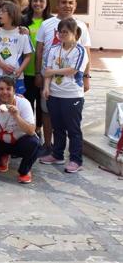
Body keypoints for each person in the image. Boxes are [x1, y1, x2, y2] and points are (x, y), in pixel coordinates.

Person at [35, 0, 91, 151]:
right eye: (63, 2)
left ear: (74, 5)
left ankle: (73, 155)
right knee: (48, 113)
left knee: (70, 121)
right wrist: (40, 74)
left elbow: (87, 52)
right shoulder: (46, 24)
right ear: (57, 5)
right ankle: (48, 145)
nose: (67, 5)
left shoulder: (81, 27)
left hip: (70, 85)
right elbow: (39, 51)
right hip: (49, 81)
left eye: (70, 2)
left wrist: (87, 76)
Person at [39, 18, 89, 173]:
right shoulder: (54, 49)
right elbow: (47, 70)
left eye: (66, 32)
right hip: (55, 94)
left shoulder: (79, 51)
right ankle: (57, 154)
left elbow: (73, 70)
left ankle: (76, 160)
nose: (62, 34)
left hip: (72, 95)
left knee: (73, 129)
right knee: (58, 128)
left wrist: (52, 72)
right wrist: (46, 87)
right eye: (60, 32)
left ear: (75, 33)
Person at [22, 0, 52, 138]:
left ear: (46, 3)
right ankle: (28, 130)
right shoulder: (23, 20)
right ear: (31, 2)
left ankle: (39, 130)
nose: (38, 3)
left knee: (42, 105)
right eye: (35, 0)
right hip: (25, 69)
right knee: (27, 102)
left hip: (44, 71)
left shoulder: (51, 22)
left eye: (41, 1)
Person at [0, 1, 33, 94]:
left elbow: (28, 55)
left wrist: (20, 70)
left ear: (12, 14)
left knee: (15, 102)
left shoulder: (22, 34)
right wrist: (3, 66)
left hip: (16, 75)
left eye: (2, 11)